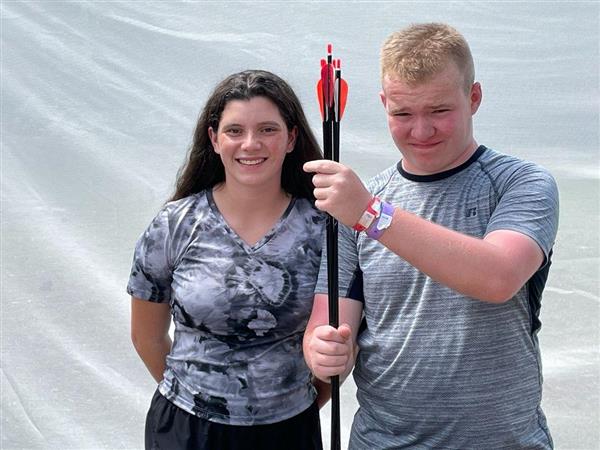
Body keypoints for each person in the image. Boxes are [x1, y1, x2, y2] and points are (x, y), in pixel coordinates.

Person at [303, 23, 559, 449]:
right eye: (402, 114)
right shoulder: (359, 204)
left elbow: (497, 277)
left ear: (474, 98)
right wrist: (323, 351)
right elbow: (328, 324)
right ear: (384, 104)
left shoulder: (522, 183)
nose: (421, 131)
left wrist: (370, 214)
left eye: (439, 110)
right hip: (384, 441)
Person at [127, 70, 329, 450]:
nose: (250, 144)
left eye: (268, 129)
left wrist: (287, 404)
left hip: (289, 431)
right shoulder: (175, 224)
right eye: (235, 130)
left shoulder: (323, 230)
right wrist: (198, 400)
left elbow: (339, 341)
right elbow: (146, 336)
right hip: (186, 430)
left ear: (291, 138)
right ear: (214, 139)